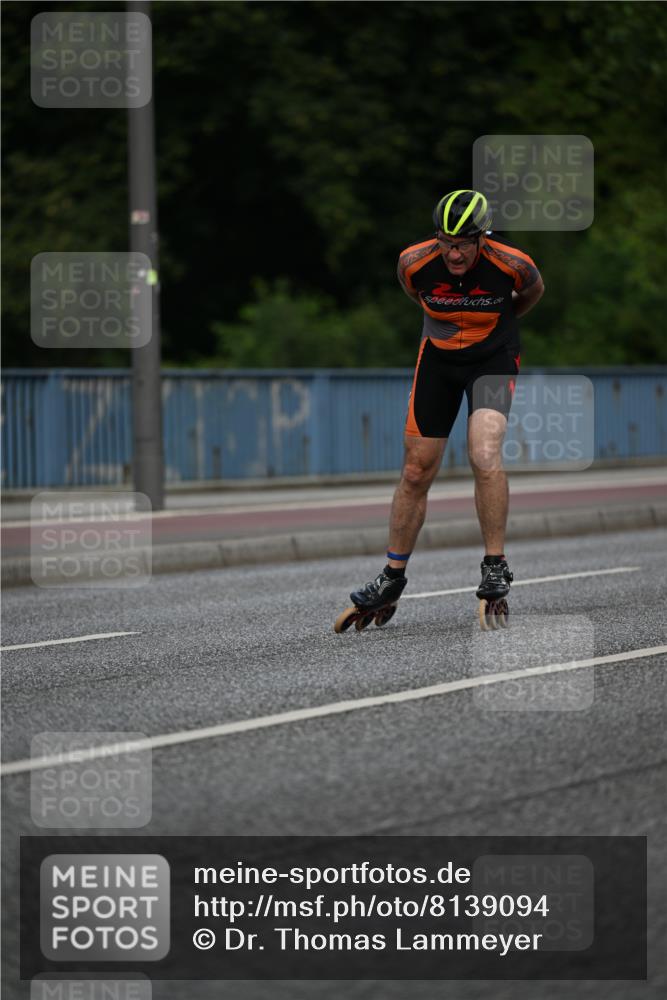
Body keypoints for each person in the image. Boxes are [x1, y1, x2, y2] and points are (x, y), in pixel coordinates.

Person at [349, 188, 545, 614]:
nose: (454, 254)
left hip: (492, 358)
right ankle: (391, 577)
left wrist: (501, 324)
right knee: (416, 470)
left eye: (463, 244)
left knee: (484, 452)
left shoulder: (513, 264)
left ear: (482, 238)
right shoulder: (412, 262)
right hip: (438, 360)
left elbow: (531, 294)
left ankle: (495, 566)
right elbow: (414, 294)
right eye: (446, 242)